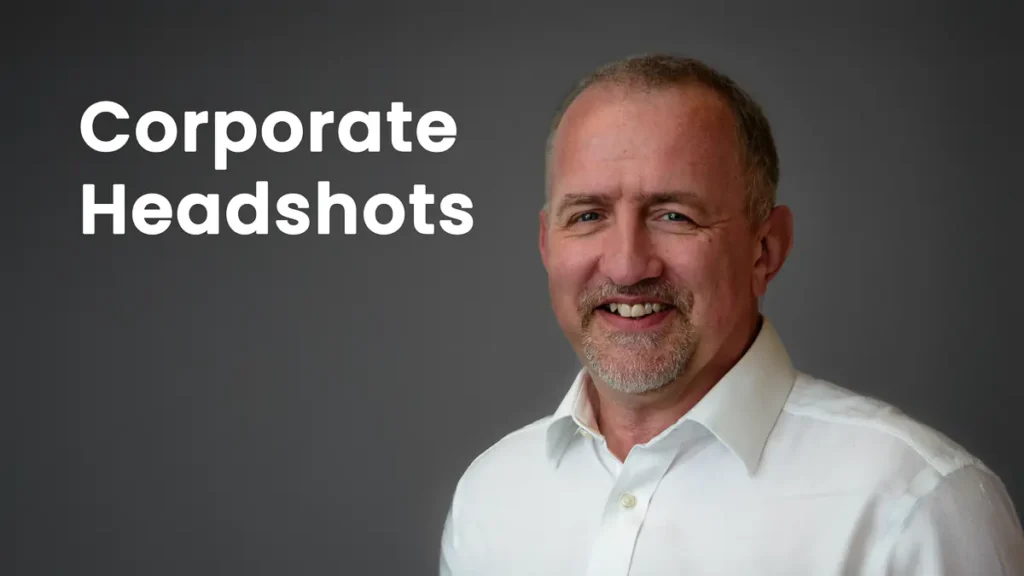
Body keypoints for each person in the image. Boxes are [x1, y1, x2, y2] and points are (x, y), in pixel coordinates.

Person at [438, 54, 1024, 575]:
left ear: (764, 249)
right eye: (588, 215)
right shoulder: (492, 496)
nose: (625, 265)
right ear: (547, 244)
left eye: (674, 215)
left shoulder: (915, 505)